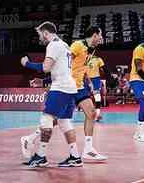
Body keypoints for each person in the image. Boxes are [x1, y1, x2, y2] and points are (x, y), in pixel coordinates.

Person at [21, 26, 107, 161]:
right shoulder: (77, 45)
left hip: (79, 86)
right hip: (68, 85)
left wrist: (88, 82)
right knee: (56, 119)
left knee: (91, 113)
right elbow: (64, 65)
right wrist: (46, 81)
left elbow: (82, 67)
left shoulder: (92, 49)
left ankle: (88, 149)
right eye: (100, 35)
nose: (102, 38)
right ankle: (31, 139)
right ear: (94, 35)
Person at [20, 21, 82, 167]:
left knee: (46, 119)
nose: (39, 37)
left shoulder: (53, 45)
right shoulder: (64, 45)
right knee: (64, 122)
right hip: (69, 87)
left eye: (40, 34)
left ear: (46, 33)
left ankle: (40, 156)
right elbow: (60, 70)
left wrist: (27, 64)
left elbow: (46, 67)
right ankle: (75, 157)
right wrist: (44, 82)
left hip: (60, 88)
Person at [87, 53, 110, 121]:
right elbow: (105, 70)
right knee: (92, 97)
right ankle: (95, 114)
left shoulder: (97, 59)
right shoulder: (96, 59)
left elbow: (104, 69)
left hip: (93, 79)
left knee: (96, 97)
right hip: (89, 79)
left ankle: (97, 114)